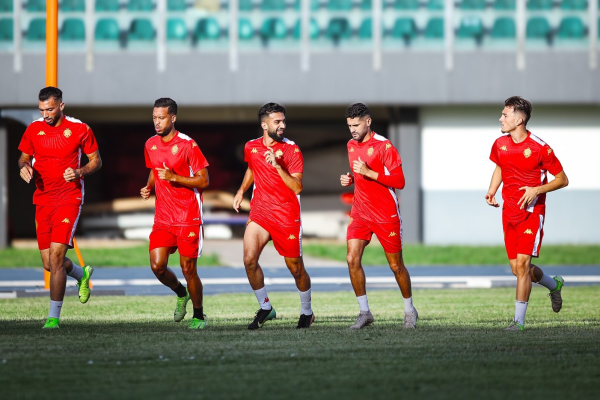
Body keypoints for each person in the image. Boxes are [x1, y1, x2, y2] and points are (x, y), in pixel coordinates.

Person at [18, 87, 101, 329]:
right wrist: (24, 167)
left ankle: (53, 318)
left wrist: (79, 172)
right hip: (42, 199)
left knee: (56, 258)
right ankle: (81, 274)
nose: (45, 114)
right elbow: (23, 156)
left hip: (69, 198)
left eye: (50, 109)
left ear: (61, 106)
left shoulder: (80, 129)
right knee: (48, 264)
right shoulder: (33, 129)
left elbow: (96, 160)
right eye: (42, 110)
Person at [486, 96, 568, 332]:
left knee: (522, 266)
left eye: (505, 115)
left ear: (519, 120)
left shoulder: (540, 148)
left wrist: (536, 190)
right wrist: (492, 191)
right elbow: (500, 167)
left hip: (531, 214)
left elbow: (562, 179)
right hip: (509, 212)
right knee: (517, 270)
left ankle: (518, 323)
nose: (500, 118)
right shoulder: (500, 144)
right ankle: (554, 284)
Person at [233, 103, 314, 330]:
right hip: (260, 212)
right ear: (264, 124)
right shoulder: (251, 146)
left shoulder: (292, 150)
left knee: (296, 268)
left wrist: (278, 166)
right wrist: (241, 191)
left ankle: (307, 312)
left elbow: (297, 187)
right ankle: (265, 307)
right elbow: (252, 168)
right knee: (249, 260)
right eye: (277, 121)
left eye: (283, 121)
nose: (282, 125)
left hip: (286, 215)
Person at [340, 103, 418, 329]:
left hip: (385, 214)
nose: (352, 130)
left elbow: (399, 181)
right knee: (352, 259)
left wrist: (369, 172)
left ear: (368, 122)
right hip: (360, 212)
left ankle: (409, 310)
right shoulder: (351, 145)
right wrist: (351, 178)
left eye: (356, 125)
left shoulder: (385, 146)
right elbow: (361, 175)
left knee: (396, 266)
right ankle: (365, 312)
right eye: (349, 126)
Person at [141, 98, 210, 330]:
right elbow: (155, 169)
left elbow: (204, 180)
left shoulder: (188, 145)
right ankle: (181, 293)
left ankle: (199, 316)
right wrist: (148, 186)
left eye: (161, 118)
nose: (157, 122)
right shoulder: (150, 143)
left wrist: (175, 178)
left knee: (188, 269)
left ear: (173, 118)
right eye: (154, 118)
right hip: (163, 217)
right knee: (157, 266)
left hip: (188, 215)